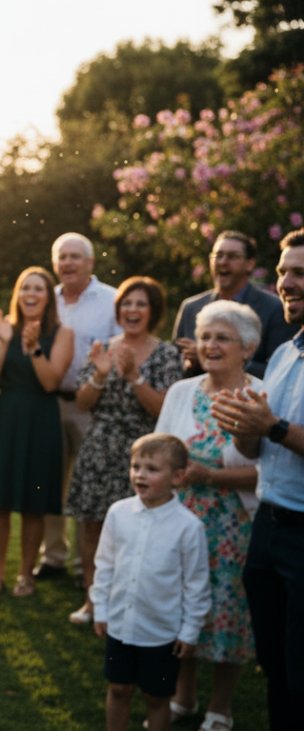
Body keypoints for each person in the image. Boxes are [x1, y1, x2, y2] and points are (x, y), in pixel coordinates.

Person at [154, 301, 263, 731]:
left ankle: (220, 707)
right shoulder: (183, 391)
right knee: (182, 606)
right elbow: (159, 448)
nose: (210, 346)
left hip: (233, 523)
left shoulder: (261, 397)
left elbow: (268, 475)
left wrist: (211, 476)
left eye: (222, 338)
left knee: (226, 611)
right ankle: (183, 697)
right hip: (180, 517)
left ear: (247, 348)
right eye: (204, 337)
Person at [213, 228, 304, 731]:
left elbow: (279, 430)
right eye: (286, 271)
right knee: (274, 665)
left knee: (299, 670)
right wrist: (243, 428)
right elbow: (260, 446)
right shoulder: (287, 353)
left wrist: (272, 426)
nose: (287, 283)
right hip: (267, 528)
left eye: (299, 273)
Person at [65, 277, 182, 624]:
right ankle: (93, 600)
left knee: (139, 532)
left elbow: (163, 408)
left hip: (146, 453)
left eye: (140, 304)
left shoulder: (166, 354)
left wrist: (134, 377)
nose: (132, 310)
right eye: (126, 304)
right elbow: (83, 403)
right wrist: (99, 376)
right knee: (93, 527)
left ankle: (133, 604)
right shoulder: (103, 348)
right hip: (100, 446)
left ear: (153, 311)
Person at [91, 434, 211, 731]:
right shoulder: (118, 513)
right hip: (120, 625)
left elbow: (196, 584)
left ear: (178, 477)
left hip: (161, 633)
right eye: (136, 466)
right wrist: (101, 609)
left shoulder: (189, 527)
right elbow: (104, 565)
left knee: (157, 698)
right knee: (118, 689)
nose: (140, 475)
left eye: (152, 469)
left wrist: (190, 630)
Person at [0, 267, 73, 597]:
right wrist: (4, 340)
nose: (31, 294)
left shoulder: (62, 333)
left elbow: (50, 381)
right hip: (7, 417)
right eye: (26, 288)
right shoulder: (2, 327)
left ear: (49, 297)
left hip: (41, 418)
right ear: (18, 294)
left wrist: (33, 348)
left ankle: (25, 574)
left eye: (39, 289)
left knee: (34, 504)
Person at [39, 232, 121, 581]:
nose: (68, 263)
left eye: (75, 256)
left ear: (90, 262)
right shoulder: (46, 299)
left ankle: (82, 564)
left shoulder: (112, 300)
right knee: (50, 481)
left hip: (92, 406)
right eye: (62, 257)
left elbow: (120, 350)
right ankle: (53, 556)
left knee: (87, 485)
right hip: (49, 402)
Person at [174, 230, 295, 379]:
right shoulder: (190, 308)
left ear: (250, 264)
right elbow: (174, 366)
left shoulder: (274, 308)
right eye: (218, 255)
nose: (223, 261)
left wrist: (213, 357)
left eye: (232, 256)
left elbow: (281, 371)